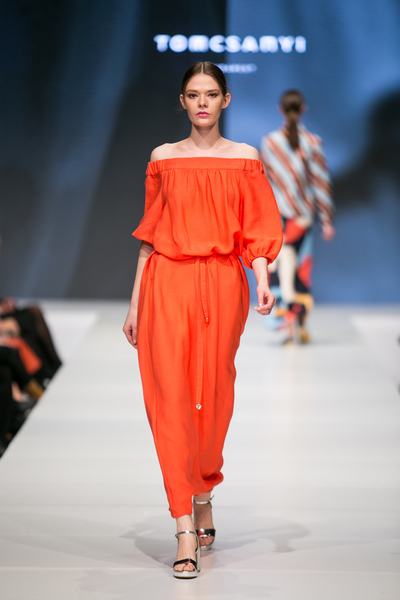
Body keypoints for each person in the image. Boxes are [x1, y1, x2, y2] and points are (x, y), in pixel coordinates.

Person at [123, 62, 283, 578]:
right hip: (166, 283)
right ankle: (183, 527)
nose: (202, 104)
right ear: (182, 101)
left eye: (211, 94)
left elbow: (257, 226)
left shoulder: (245, 159)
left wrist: (262, 278)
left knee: (213, 399)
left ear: (226, 100)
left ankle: (203, 489)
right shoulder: (162, 159)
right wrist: (135, 303)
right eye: (193, 95)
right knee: (169, 399)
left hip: (222, 282)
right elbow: (151, 234)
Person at [260, 90, 335, 343]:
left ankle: (285, 320)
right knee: (300, 270)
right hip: (302, 217)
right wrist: (326, 219)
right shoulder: (312, 142)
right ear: (303, 109)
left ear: (280, 110)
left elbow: (264, 184)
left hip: (276, 217)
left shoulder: (270, 142)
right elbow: (320, 182)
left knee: (277, 267)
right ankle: (297, 321)